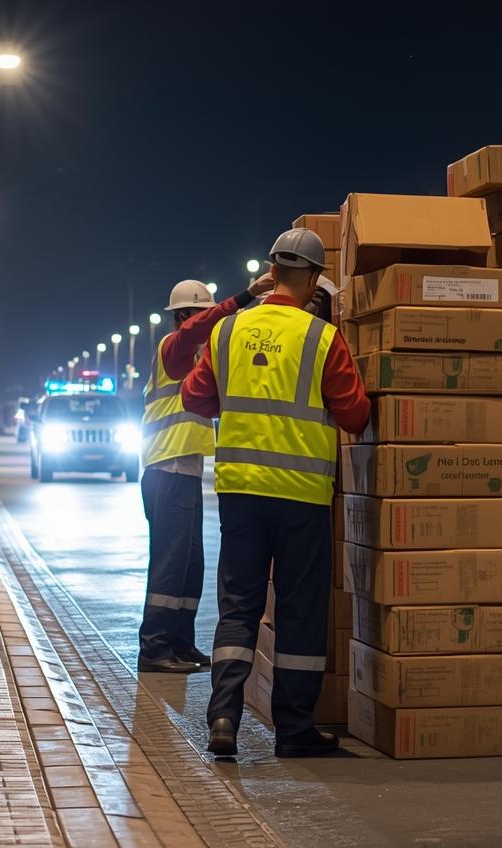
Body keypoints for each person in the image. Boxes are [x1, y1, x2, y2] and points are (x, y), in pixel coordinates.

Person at [181, 227, 370, 758]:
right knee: (299, 609)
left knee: (238, 606)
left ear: (271, 272)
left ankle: (223, 717)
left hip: (240, 492)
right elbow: (355, 413)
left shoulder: (228, 331)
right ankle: (294, 729)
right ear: (314, 280)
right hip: (301, 496)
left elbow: (195, 397)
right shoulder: (321, 337)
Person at [137, 274, 273, 674]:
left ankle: (180, 642)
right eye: (201, 314)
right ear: (184, 316)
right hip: (166, 468)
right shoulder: (172, 347)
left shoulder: (197, 359)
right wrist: (245, 296)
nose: (209, 322)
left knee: (189, 563)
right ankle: (154, 649)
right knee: (170, 562)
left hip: (186, 471)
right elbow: (197, 330)